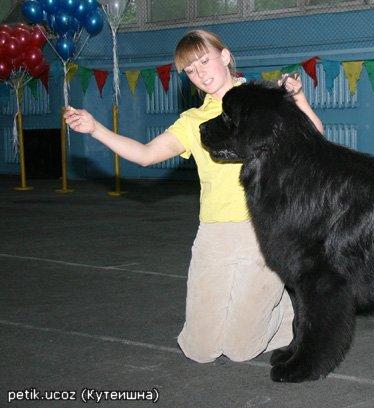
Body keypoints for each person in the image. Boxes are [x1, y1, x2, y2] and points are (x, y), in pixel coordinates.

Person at [63, 29, 323, 363]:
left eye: (204, 61)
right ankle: (262, 303)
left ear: (225, 56)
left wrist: (297, 99)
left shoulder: (263, 101)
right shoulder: (193, 121)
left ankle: (282, 315)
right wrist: (95, 128)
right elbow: (145, 154)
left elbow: (315, 138)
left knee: (241, 350)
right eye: (190, 70)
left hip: (264, 232)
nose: (200, 73)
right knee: (200, 351)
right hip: (213, 234)